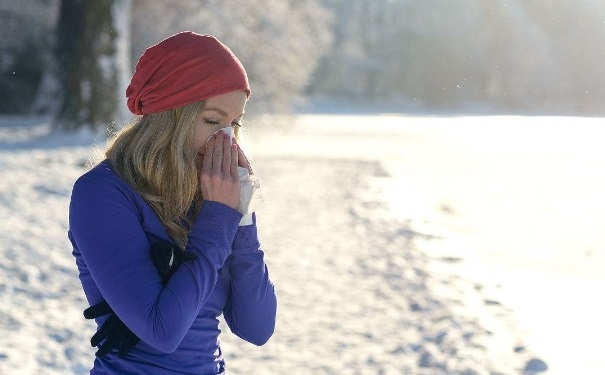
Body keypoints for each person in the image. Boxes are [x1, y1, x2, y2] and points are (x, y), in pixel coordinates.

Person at [68, 31, 277, 374]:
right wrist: (219, 219)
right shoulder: (102, 193)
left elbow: (256, 328)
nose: (225, 140)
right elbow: (162, 330)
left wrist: (240, 219)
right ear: (170, 115)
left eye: (233, 124)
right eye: (212, 121)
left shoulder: (209, 195)